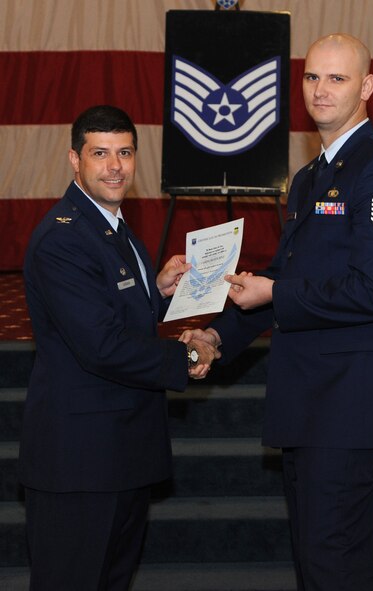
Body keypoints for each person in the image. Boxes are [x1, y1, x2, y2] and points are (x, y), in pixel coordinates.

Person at [181, 34, 373, 590]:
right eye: (312, 77)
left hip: (348, 406)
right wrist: (220, 336)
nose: (321, 90)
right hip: (312, 405)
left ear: (366, 87)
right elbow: (282, 278)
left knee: (333, 564)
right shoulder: (312, 177)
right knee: (317, 563)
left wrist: (274, 295)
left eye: (337, 78)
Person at [20, 105, 218, 590]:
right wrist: (187, 356)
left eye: (124, 153)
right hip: (81, 464)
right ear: (75, 160)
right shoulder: (63, 238)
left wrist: (157, 289)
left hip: (120, 453)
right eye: (100, 153)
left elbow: (107, 306)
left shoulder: (111, 225)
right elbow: (101, 346)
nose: (115, 166)